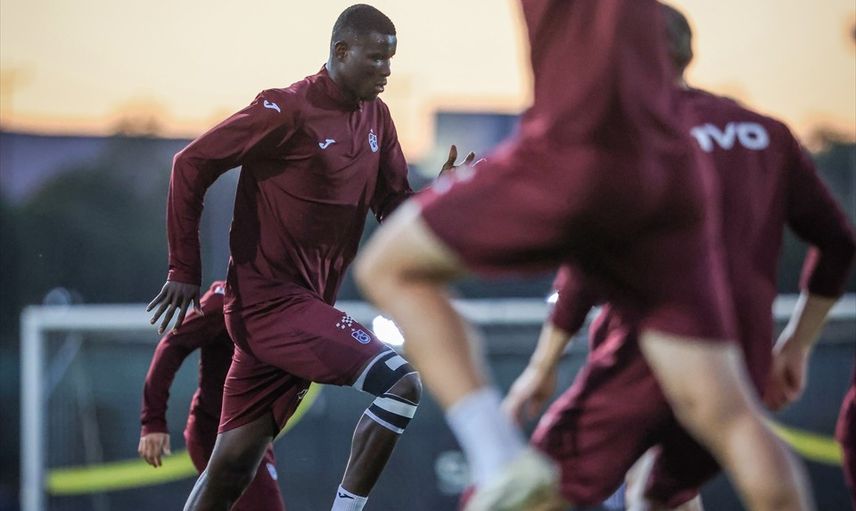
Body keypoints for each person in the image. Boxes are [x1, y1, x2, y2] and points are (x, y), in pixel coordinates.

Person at [355, 0, 817, 509]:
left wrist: (542, 364)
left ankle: (498, 460)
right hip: (671, 169)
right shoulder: (732, 124)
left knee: (389, 267)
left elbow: (575, 279)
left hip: (578, 148)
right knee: (730, 418)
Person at [501, 4, 856, 509]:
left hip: (649, 351)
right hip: (743, 352)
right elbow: (839, 243)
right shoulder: (767, 134)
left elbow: (586, 263)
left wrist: (543, 364)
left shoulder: (631, 133)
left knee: (526, 490)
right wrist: (797, 345)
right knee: (665, 489)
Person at [146, 5, 472, 510]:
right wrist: (184, 269)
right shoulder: (287, 109)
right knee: (401, 385)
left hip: (304, 309)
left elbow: (393, 207)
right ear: (341, 52)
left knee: (230, 469)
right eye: (376, 58)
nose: (387, 70)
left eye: (390, 59)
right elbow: (190, 163)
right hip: (268, 306)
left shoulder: (378, 118)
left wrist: (440, 198)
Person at [139, 281, 286, 511]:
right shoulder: (227, 298)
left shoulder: (292, 298)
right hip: (216, 435)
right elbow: (172, 345)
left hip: (254, 435)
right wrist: (153, 421)